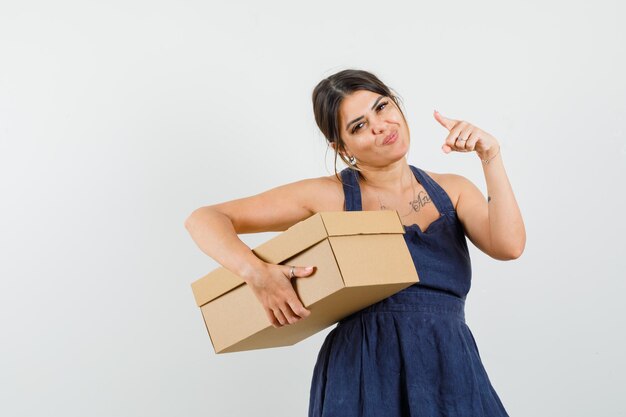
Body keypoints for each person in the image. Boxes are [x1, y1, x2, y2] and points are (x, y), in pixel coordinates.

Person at [184, 69, 526, 417]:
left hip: (450, 368)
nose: (379, 126)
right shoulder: (328, 195)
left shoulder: (453, 190)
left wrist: (490, 154)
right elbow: (204, 219)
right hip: (365, 376)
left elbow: (509, 246)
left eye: (382, 107)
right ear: (341, 147)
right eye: (358, 126)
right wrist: (256, 273)